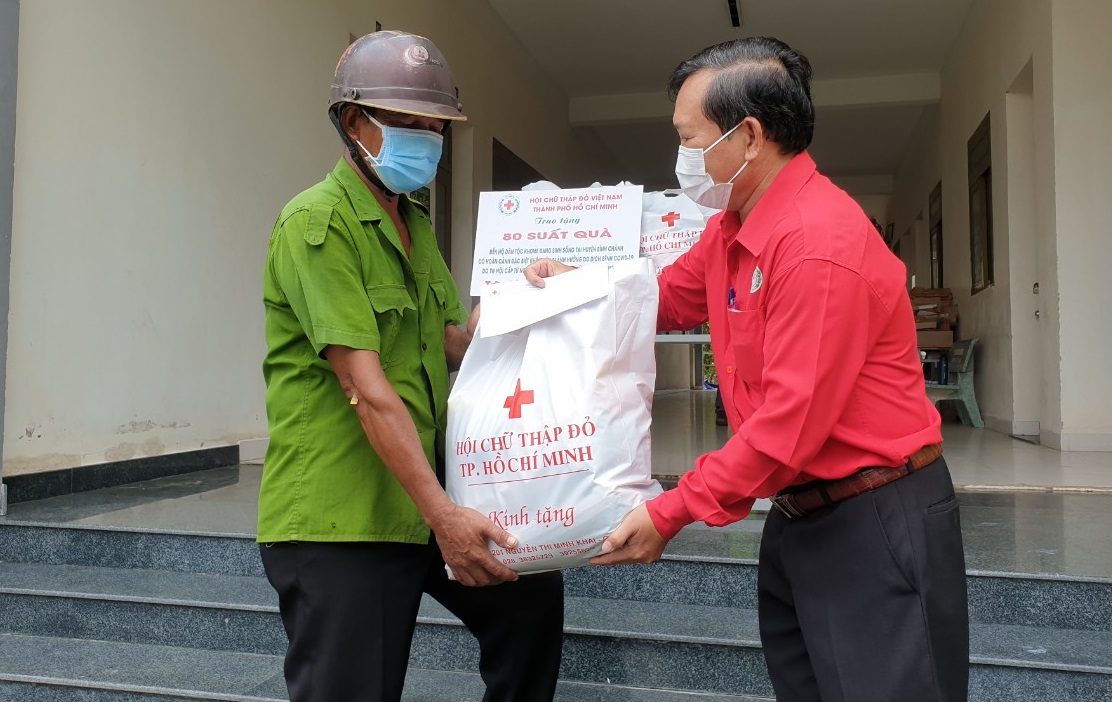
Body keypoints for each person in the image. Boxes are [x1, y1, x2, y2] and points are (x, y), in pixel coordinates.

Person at [526, 36, 968, 702]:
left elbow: (787, 429)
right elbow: (667, 294)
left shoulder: (817, 244)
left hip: (873, 520)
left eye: (689, 139)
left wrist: (669, 511)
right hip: (799, 517)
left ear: (751, 136)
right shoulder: (733, 225)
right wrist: (575, 288)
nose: (681, 160)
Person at [259, 31, 563, 702]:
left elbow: (455, 339)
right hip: (342, 518)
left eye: (436, 127)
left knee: (530, 599)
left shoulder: (413, 220)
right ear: (353, 123)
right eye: (409, 125)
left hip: (418, 495)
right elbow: (367, 391)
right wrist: (446, 518)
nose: (427, 140)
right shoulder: (318, 224)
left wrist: (536, 294)